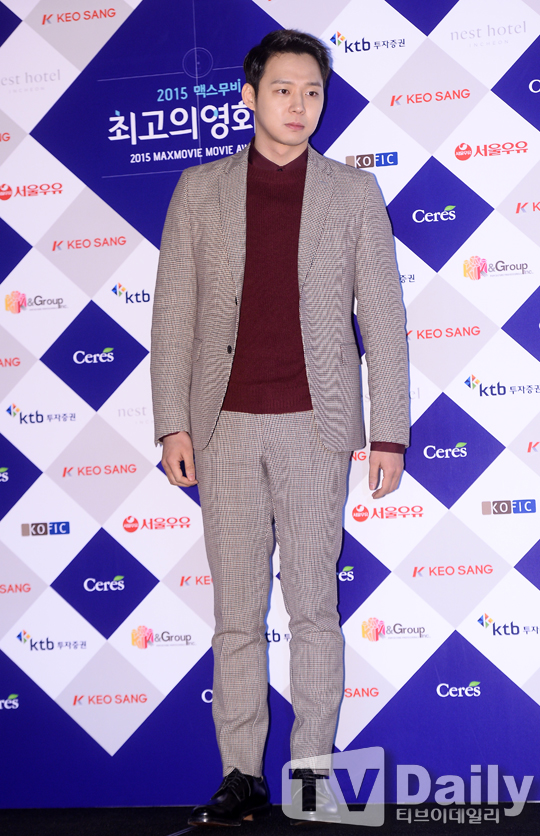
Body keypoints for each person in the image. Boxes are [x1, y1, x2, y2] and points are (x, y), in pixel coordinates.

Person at [151, 29, 409, 827]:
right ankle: (241, 776)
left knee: (312, 612)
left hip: (316, 427)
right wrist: (172, 425)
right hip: (222, 427)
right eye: (283, 90)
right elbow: (173, 317)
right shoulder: (199, 189)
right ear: (249, 97)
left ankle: (312, 777)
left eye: (313, 92)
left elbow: (384, 320)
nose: (299, 105)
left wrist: (390, 432)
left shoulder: (353, 193)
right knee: (236, 614)